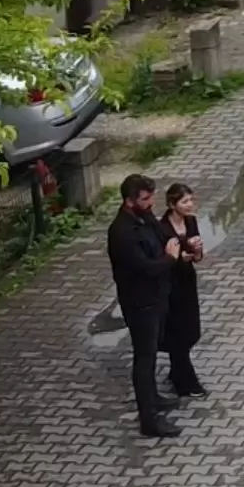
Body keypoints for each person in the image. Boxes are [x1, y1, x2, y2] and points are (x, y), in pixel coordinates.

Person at [107, 173, 180, 438]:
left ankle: (154, 398)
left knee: (153, 350)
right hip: (140, 303)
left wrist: (181, 245)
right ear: (129, 201)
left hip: (157, 297)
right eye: (146, 199)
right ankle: (148, 419)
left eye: (151, 197)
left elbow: (163, 237)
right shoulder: (122, 233)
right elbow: (145, 268)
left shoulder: (144, 217)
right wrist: (170, 259)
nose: (151, 202)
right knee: (144, 358)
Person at [158, 182, 207, 399]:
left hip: (187, 281)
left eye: (190, 200)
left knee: (191, 329)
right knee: (177, 332)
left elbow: (197, 257)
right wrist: (177, 259)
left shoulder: (191, 221)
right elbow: (161, 259)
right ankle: (186, 382)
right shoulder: (162, 229)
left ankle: (176, 370)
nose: (189, 205)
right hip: (170, 285)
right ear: (172, 204)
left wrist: (196, 251)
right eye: (184, 201)